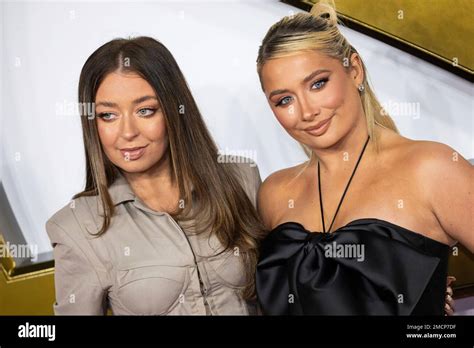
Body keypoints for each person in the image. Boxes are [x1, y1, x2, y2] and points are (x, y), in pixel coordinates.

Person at [255, 1, 471, 315]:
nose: (306, 111)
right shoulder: (274, 194)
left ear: (354, 69)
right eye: (284, 99)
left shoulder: (431, 168)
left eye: (318, 83)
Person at [46, 36, 264, 315]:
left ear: (174, 110)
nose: (127, 132)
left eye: (145, 110)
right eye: (108, 116)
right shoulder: (76, 226)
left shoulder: (242, 179)